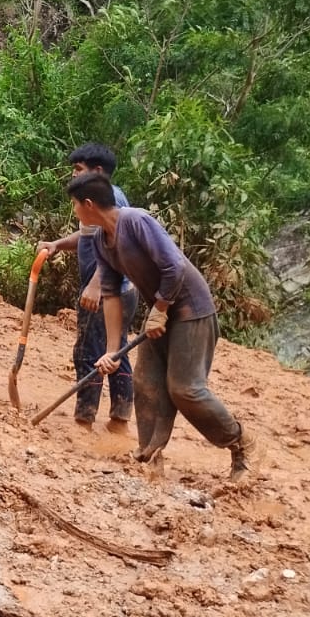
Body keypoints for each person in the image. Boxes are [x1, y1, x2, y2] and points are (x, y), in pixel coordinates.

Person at [67, 172, 264, 482]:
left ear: (89, 204)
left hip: (190, 311)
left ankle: (241, 443)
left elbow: (174, 265)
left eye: (75, 205)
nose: (75, 211)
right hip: (162, 316)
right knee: (145, 383)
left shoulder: (136, 221)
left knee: (185, 389)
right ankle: (150, 455)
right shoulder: (102, 242)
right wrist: (113, 351)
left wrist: (160, 307)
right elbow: (111, 295)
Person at [39, 144, 135, 432]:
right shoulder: (103, 200)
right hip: (124, 290)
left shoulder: (110, 200)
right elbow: (86, 234)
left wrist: (96, 286)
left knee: (88, 352)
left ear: (98, 171)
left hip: (109, 292)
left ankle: (84, 419)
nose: (73, 174)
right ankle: (120, 418)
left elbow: (116, 247)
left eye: (79, 169)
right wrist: (57, 245)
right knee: (116, 351)